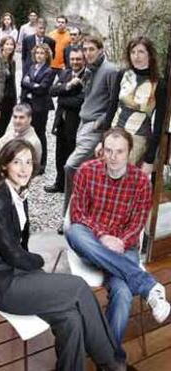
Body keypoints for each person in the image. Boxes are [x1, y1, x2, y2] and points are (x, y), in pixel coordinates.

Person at [0, 139, 129, 371]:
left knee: (71, 320)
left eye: (29, 162)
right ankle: (111, 363)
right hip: (2, 285)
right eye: (17, 162)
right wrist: (38, 262)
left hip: (19, 274)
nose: (25, 168)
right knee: (78, 287)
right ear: (5, 165)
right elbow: (13, 254)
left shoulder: (17, 192)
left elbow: (19, 246)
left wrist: (33, 267)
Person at [66, 128, 170, 364]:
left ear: (129, 152)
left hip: (124, 248)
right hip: (92, 243)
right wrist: (102, 236)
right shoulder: (86, 171)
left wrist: (121, 241)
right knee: (74, 232)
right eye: (108, 151)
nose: (113, 157)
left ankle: (109, 357)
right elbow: (78, 214)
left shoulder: (141, 181)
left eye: (119, 151)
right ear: (102, 150)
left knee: (123, 293)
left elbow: (138, 223)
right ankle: (147, 286)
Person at [63, 35, 118, 215]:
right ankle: (84, 212)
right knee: (89, 172)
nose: (87, 53)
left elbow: (114, 101)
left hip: (95, 127)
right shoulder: (89, 69)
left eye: (91, 49)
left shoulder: (110, 70)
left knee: (70, 166)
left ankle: (68, 214)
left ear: (100, 50)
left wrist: (101, 123)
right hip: (83, 123)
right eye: (85, 50)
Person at [104, 36, 166, 174]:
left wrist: (149, 159)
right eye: (133, 52)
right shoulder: (122, 74)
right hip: (114, 131)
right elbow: (112, 105)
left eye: (141, 52)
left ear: (149, 54)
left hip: (138, 137)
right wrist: (102, 138)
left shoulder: (159, 83)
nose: (136, 56)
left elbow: (159, 124)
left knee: (124, 179)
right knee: (105, 176)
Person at [45, 47, 86, 194]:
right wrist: (68, 86)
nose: (75, 62)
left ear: (84, 60)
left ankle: (73, 187)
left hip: (75, 123)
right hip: (61, 121)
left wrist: (62, 97)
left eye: (78, 59)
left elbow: (80, 101)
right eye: (73, 59)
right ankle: (59, 183)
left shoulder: (87, 77)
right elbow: (51, 91)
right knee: (59, 154)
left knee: (72, 154)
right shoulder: (66, 73)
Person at [21, 43, 55, 174]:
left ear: (46, 55)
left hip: (40, 107)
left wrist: (29, 83)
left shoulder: (49, 70)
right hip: (28, 104)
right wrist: (32, 85)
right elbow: (22, 83)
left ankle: (42, 164)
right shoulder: (31, 67)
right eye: (37, 53)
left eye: (42, 53)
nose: (39, 56)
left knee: (40, 134)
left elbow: (42, 89)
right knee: (27, 133)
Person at [0, 103, 42, 177]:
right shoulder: (12, 132)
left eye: (21, 118)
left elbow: (15, 168)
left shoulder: (31, 141)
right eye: (15, 117)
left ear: (29, 119)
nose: (17, 121)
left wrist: (0, 159)